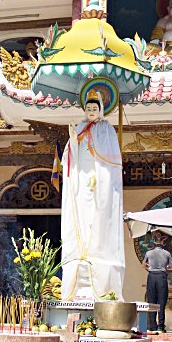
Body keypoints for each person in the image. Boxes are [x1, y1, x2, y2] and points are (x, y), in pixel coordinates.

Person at [61, 90, 124, 301]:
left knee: (98, 216)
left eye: (95, 108)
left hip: (98, 177)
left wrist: (101, 177)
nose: (91, 112)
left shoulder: (106, 129)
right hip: (81, 174)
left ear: (101, 110)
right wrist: (73, 139)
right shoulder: (79, 128)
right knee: (82, 214)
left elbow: (110, 160)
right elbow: (70, 156)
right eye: (88, 108)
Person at [142, 237, 172, 333]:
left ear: (154, 244)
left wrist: (149, 268)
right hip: (162, 276)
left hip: (151, 276)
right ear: (163, 244)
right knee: (161, 301)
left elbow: (143, 264)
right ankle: (160, 325)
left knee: (151, 301)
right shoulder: (167, 253)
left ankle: (152, 325)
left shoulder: (149, 253)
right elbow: (171, 266)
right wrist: (165, 267)